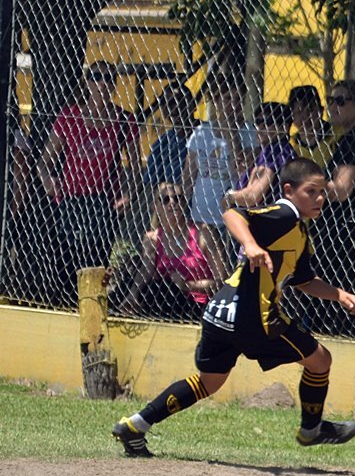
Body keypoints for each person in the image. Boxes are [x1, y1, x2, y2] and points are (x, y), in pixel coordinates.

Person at [111, 158, 355, 457]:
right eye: (311, 191)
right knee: (320, 361)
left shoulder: (299, 231)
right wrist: (251, 245)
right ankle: (311, 429)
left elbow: (303, 280)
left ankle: (135, 425)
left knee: (208, 382)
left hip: (220, 312)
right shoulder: (284, 214)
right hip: (255, 319)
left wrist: (338, 294)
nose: (319, 198)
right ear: (288, 190)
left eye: (322, 192)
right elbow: (233, 214)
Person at [36, 60, 140, 304]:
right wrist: (48, 180)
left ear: (114, 84)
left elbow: (136, 167)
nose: (101, 84)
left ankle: (93, 305)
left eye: (107, 78)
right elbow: (44, 161)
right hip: (71, 198)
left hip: (104, 201)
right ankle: (65, 303)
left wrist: (129, 195)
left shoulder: (124, 120)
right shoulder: (70, 116)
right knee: (67, 258)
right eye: (95, 77)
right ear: (87, 82)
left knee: (97, 260)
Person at [119, 180, 227, 319]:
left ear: (184, 203)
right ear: (155, 206)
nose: (172, 203)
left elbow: (221, 282)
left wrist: (188, 286)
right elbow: (145, 270)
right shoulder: (152, 238)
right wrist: (133, 294)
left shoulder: (203, 233)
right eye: (165, 199)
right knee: (148, 286)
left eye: (177, 198)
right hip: (162, 302)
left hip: (197, 304)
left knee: (165, 290)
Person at [315, 79, 355, 337]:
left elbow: (342, 189)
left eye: (340, 101)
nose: (332, 107)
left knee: (337, 296)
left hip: (343, 232)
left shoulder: (354, 140)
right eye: (330, 100)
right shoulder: (353, 137)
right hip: (345, 229)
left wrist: (309, 184)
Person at [182, 75, 255, 232]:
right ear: (216, 101)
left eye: (238, 100)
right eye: (228, 99)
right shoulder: (202, 133)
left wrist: (231, 133)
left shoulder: (249, 133)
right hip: (200, 217)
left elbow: (240, 170)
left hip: (231, 220)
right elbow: (188, 176)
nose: (233, 105)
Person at [225, 102, 297, 209]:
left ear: (284, 127)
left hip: (263, 215)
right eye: (258, 122)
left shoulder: (275, 151)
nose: (260, 127)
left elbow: (252, 196)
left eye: (268, 122)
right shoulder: (273, 150)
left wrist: (229, 196)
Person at [143, 82, 196, 189]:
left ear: (192, 105)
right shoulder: (162, 144)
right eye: (166, 103)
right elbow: (150, 184)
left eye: (179, 101)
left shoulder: (207, 134)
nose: (173, 108)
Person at [288, 85, 338, 169]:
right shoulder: (290, 144)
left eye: (310, 110)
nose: (305, 116)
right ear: (292, 116)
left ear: (321, 111)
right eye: (299, 112)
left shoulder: (336, 137)